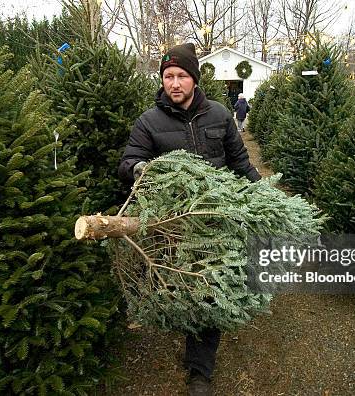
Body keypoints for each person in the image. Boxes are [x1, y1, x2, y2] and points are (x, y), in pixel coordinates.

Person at [118, 43, 260, 396]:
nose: (175, 83)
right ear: (162, 79)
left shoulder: (219, 115)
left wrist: (264, 195)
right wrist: (143, 169)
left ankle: (200, 371)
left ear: (194, 79)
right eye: (168, 76)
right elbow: (127, 163)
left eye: (182, 75)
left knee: (211, 289)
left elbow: (240, 163)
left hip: (215, 219)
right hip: (174, 224)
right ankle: (190, 335)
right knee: (184, 286)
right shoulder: (149, 122)